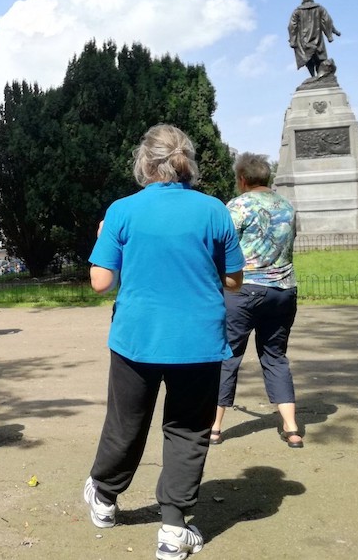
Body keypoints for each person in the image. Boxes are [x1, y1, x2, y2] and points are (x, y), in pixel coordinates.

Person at [83, 125, 244, 560]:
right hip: (199, 339)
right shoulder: (214, 211)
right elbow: (233, 281)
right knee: (189, 430)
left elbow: (100, 282)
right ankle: (174, 528)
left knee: (126, 422)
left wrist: (103, 236)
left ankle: (103, 497)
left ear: (145, 162)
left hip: (137, 337)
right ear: (187, 162)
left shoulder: (122, 210)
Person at [211, 153, 303, 449]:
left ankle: (214, 427)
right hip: (283, 291)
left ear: (241, 179)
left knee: (228, 356)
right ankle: (291, 428)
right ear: (267, 177)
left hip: (243, 291)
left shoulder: (236, 206)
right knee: (275, 356)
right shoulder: (287, 207)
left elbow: (221, 247)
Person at [288, 0, 340, 77]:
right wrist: (331, 34)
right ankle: (318, 77)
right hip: (318, 38)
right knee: (319, 58)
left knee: (308, 58)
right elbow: (327, 21)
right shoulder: (319, 8)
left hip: (304, 39)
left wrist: (293, 40)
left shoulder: (297, 11)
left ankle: (313, 77)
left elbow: (292, 26)